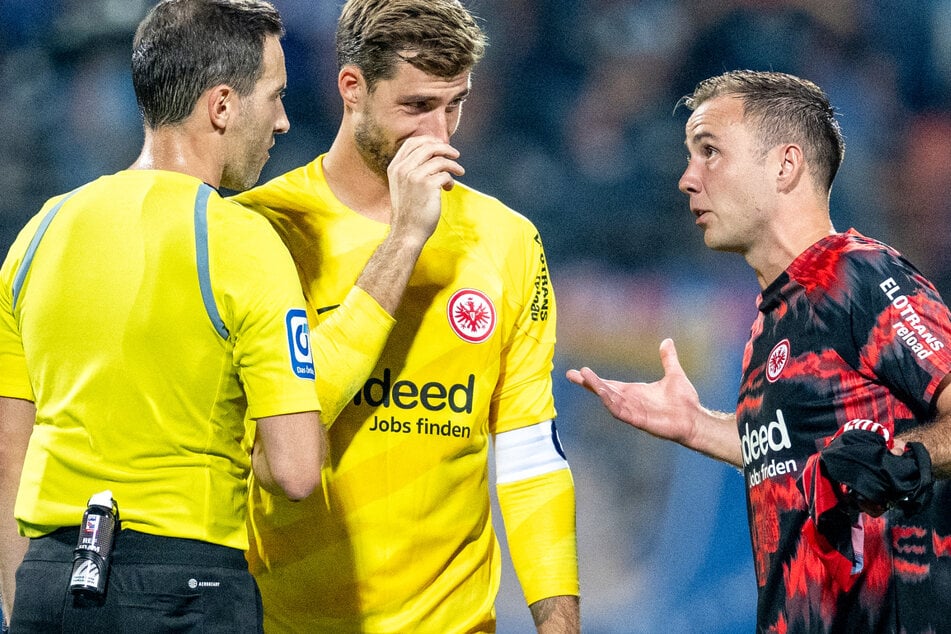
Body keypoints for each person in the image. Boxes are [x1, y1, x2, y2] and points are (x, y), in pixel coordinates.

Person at [232, 0, 581, 631]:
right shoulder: (263, 229)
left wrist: (559, 623)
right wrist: (406, 237)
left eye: (456, 104)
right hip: (288, 619)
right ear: (353, 89)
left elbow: (531, 454)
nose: (439, 135)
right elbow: (253, 445)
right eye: (417, 107)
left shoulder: (507, 239)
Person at [568, 69, 951, 632]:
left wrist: (898, 459)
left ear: (784, 165)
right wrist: (696, 426)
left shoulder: (861, 276)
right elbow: (797, 459)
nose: (686, 179)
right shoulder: (771, 320)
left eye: (710, 151)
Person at [0, 1, 326, 630]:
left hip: (49, 582)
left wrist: (23, 607)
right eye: (275, 95)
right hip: (186, 587)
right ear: (223, 106)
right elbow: (295, 469)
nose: (284, 121)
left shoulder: (38, 235)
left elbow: (9, 452)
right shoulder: (242, 242)